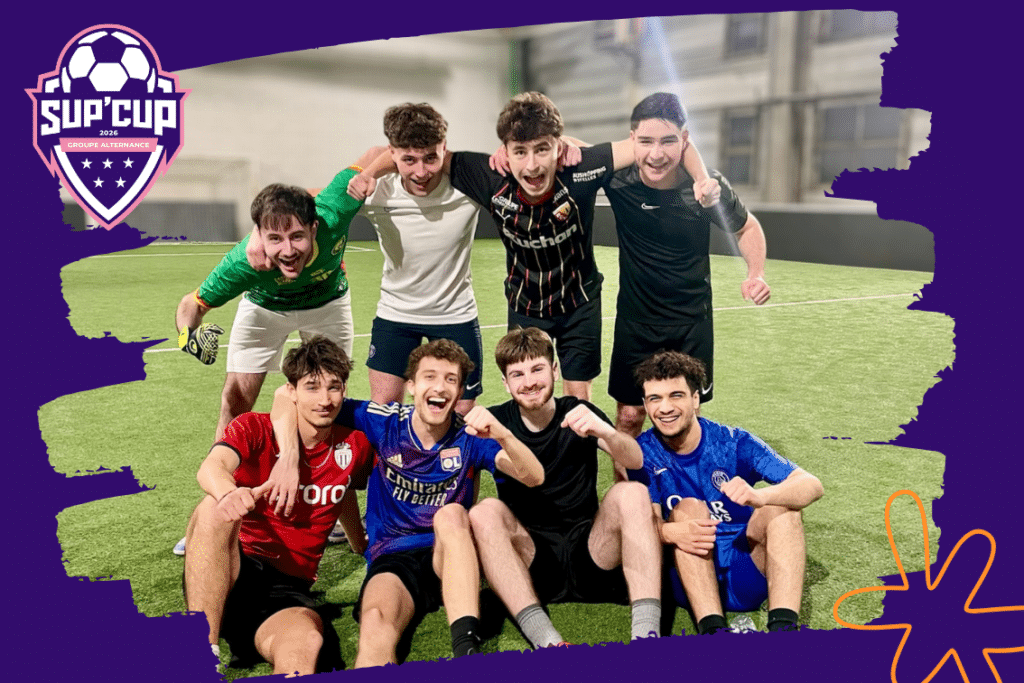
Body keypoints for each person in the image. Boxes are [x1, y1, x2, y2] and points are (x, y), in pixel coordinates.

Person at [269, 338, 544, 666]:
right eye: (430, 377)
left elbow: (533, 476)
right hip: (393, 556)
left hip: (451, 553)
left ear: (460, 392)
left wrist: (503, 435)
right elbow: (285, 394)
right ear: (411, 385)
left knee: (451, 515)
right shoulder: (384, 421)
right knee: (375, 623)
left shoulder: (469, 436)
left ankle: (467, 652)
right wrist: (289, 458)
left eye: (450, 379)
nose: (439, 387)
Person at [248, 104, 485, 416]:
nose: (420, 172)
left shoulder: (468, 188)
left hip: (456, 314)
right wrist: (257, 233)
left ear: (445, 148)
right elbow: (299, 203)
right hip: (397, 314)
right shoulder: (375, 191)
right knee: (384, 410)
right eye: (408, 160)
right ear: (392, 153)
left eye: (431, 158)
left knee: (461, 412)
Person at [182, 336, 375, 676]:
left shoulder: (354, 444)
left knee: (306, 644)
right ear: (291, 391)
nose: (325, 400)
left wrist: (359, 542)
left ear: (344, 390)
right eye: (312, 387)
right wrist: (229, 493)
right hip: (231, 571)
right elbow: (211, 467)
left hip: (286, 591)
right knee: (213, 508)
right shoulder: (254, 428)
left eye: (334, 387)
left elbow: (344, 489)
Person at [468, 327, 663, 648]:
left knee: (632, 493)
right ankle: (549, 644)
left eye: (537, 369)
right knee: (484, 511)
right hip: (532, 564)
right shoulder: (496, 422)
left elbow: (635, 459)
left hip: (592, 554)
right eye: (517, 374)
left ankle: (647, 640)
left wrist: (606, 432)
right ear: (505, 382)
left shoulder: (578, 411)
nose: (529, 382)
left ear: (555, 370)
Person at [601, 92, 771, 447]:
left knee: (685, 415)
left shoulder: (706, 190)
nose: (656, 154)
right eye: (646, 141)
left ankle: (684, 480)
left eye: (668, 141)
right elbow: (571, 149)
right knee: (629, 416)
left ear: (685, 140)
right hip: (636, 321)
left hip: (691, 321)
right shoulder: (618, 180)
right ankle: (631, 482)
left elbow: (747, 228)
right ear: (631, 141)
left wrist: (755, 274)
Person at [627, 351, 823, 635]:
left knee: (782, 509)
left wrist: (762, 497)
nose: (665, 408)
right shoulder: (642, 454)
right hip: (688, 577)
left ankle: (784, 631)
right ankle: (713, 632)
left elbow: (811, 485)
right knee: (688, 509)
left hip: (747, 570)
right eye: (655, 399)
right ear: (646, 404)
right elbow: (637, 529)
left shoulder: (732, 442)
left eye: (676, 396)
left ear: (696, 399)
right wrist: (671, 532)